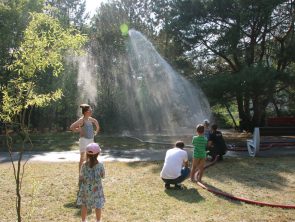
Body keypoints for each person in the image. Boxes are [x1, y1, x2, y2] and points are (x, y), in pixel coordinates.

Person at [77, 143, 105, 222]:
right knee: (98, 206)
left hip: (86, 190)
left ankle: (83, 220)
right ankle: (98, 220)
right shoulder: (100, 165)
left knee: (84, 205)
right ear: (98, 154)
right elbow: (103, 176)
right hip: (97, 190)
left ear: (87, 154)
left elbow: (81, 176)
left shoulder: (83, 165)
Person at [70, 104, 100, 175]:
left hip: (91, 140)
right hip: (84, 140)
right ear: (86, 112)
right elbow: (72, 127)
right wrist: (79, 130)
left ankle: (87, 173)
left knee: (90, 157)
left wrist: (96, 130)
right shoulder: (81, 120)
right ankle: (80, 175)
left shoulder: (91, 119)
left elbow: (96, 122)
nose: (91, 111)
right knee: (82, 158)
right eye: (90, 110)